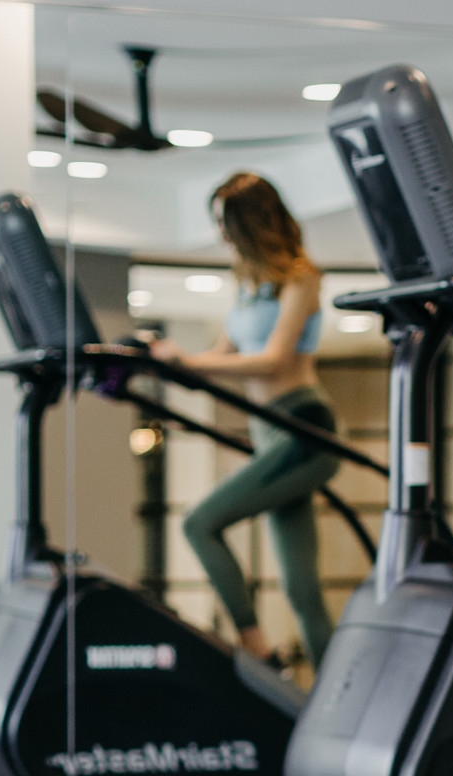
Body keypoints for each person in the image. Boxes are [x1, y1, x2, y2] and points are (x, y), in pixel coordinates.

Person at [149, 172, 340, 667]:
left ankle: (257, 648)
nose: (222, 235)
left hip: (305, 430)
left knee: (199, 523)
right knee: (302, 589)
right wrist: (163, 366)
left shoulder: (300, 278)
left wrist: (187, 362)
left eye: (226, 223)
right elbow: (222, 359)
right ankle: (335, 693)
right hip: (269, 433)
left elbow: (273, 361)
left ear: (252, 221)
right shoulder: (248, 284)